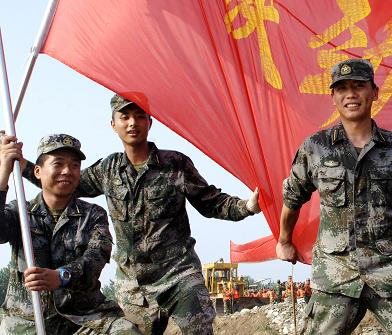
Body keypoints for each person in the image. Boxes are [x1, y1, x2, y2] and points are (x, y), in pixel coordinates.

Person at [17, 94, 261, 335]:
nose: (132, 123)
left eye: (139, 116)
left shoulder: (175, 164)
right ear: (114, 124)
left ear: (149, 122)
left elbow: (211, 202)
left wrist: (246, 206)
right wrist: (20, 163)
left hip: (178, 275)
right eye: (125, 117)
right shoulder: (107, 170)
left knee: (199, 328)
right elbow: (63, 182)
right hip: (133, 287)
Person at [275, 58, 392, 334]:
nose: (350, 94)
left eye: (359, 86)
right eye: (342, 88)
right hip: (336, 275)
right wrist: (284, 241)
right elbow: (293, 197)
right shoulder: (315, 148)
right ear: (333, 97)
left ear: (374, 92)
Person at [0, 134, 140, 334]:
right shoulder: (20, 213)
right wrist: (4, 172)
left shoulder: (93, 215)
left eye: (74, 165)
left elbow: (96, 257)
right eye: (58, 164)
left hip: (83, 318)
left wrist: (61, 276)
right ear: (37, 172)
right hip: (27, 322)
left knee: (125, 331)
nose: (67, 171)